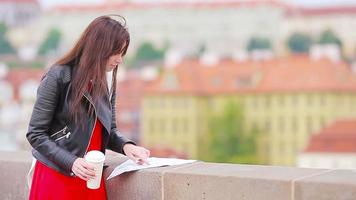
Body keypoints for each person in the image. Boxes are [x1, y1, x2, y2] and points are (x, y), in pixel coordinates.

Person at [26, 15, 150, 200]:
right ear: (100, 48)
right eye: (117, 52)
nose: (120, 60)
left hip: (91, 178)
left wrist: (126, 146)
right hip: (57, 176)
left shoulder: (106, 80)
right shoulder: (58, 76)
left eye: (122, 53)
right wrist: (72, 162)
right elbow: (35, 134)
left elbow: (108, 130)